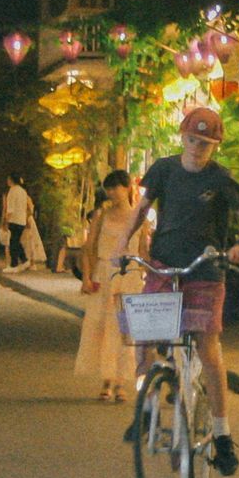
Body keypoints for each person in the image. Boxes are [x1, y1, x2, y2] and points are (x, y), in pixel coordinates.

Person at [106, 107, 239, 476]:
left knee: (208, 349)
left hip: (205, 270)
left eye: (205, 143)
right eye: (192, 139)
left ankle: (222, 435)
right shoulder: (164, 169)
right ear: (182, 137)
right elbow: (140, 210)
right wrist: (122, 245)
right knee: (145, 338)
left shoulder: (220, 179)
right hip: (163, 265)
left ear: (214, 145)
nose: (197, 148)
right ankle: (145, 409)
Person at [75, 170, 145, 401]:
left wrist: (148, 278)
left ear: (128, 188)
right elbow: (89, 248)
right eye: (109, 188)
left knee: (126, 330)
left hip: (130, 275)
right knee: (104, 328)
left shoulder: (139, 217)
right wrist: (87, 277)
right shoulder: (101, 215)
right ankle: (107, 379)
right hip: (104, 274)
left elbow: (144, 253)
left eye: (117, 187)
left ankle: (122, 382)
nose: (112, 193)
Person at [2, 173, 35, 272]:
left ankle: (14, 264)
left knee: (13, 242)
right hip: (21, 219)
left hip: (14, 219)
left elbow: (10, 208)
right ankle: (24, 260)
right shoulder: (23, 191)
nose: (7, 181)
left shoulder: (12, 191)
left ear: (12, 180)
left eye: (8, 179)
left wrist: (6, 220)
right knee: (16, 241)